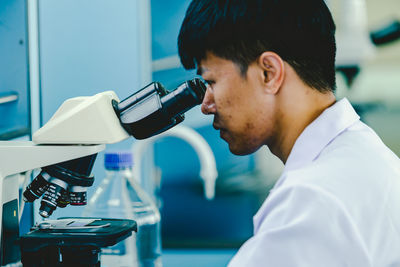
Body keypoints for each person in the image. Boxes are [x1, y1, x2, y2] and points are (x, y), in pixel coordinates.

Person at [177, 0, 400, 266]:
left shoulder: (311, 201)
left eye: (211, 81)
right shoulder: (362, 152)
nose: (206, 105)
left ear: (268, 73)